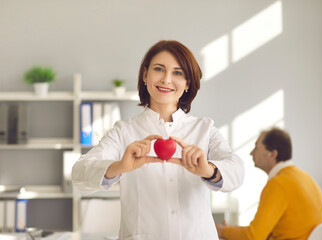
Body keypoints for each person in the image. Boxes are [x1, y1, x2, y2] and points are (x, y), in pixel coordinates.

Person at [72, 40, 245, 240]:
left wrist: (208, 170)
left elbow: (237, 171)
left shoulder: (204, 129)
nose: (166, 79)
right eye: (159, 69)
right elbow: (79, 174)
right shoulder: (124, 132)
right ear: (145, 75)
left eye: (178, 73)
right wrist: (119, 166)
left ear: (188, 83)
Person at [216, 127, 322, 240]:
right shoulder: (304, 177)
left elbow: (253, 237)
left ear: (272, 154)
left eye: (256, 147)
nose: (251, 153)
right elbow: (262, 232)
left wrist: (222, 230)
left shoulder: (278, 184)